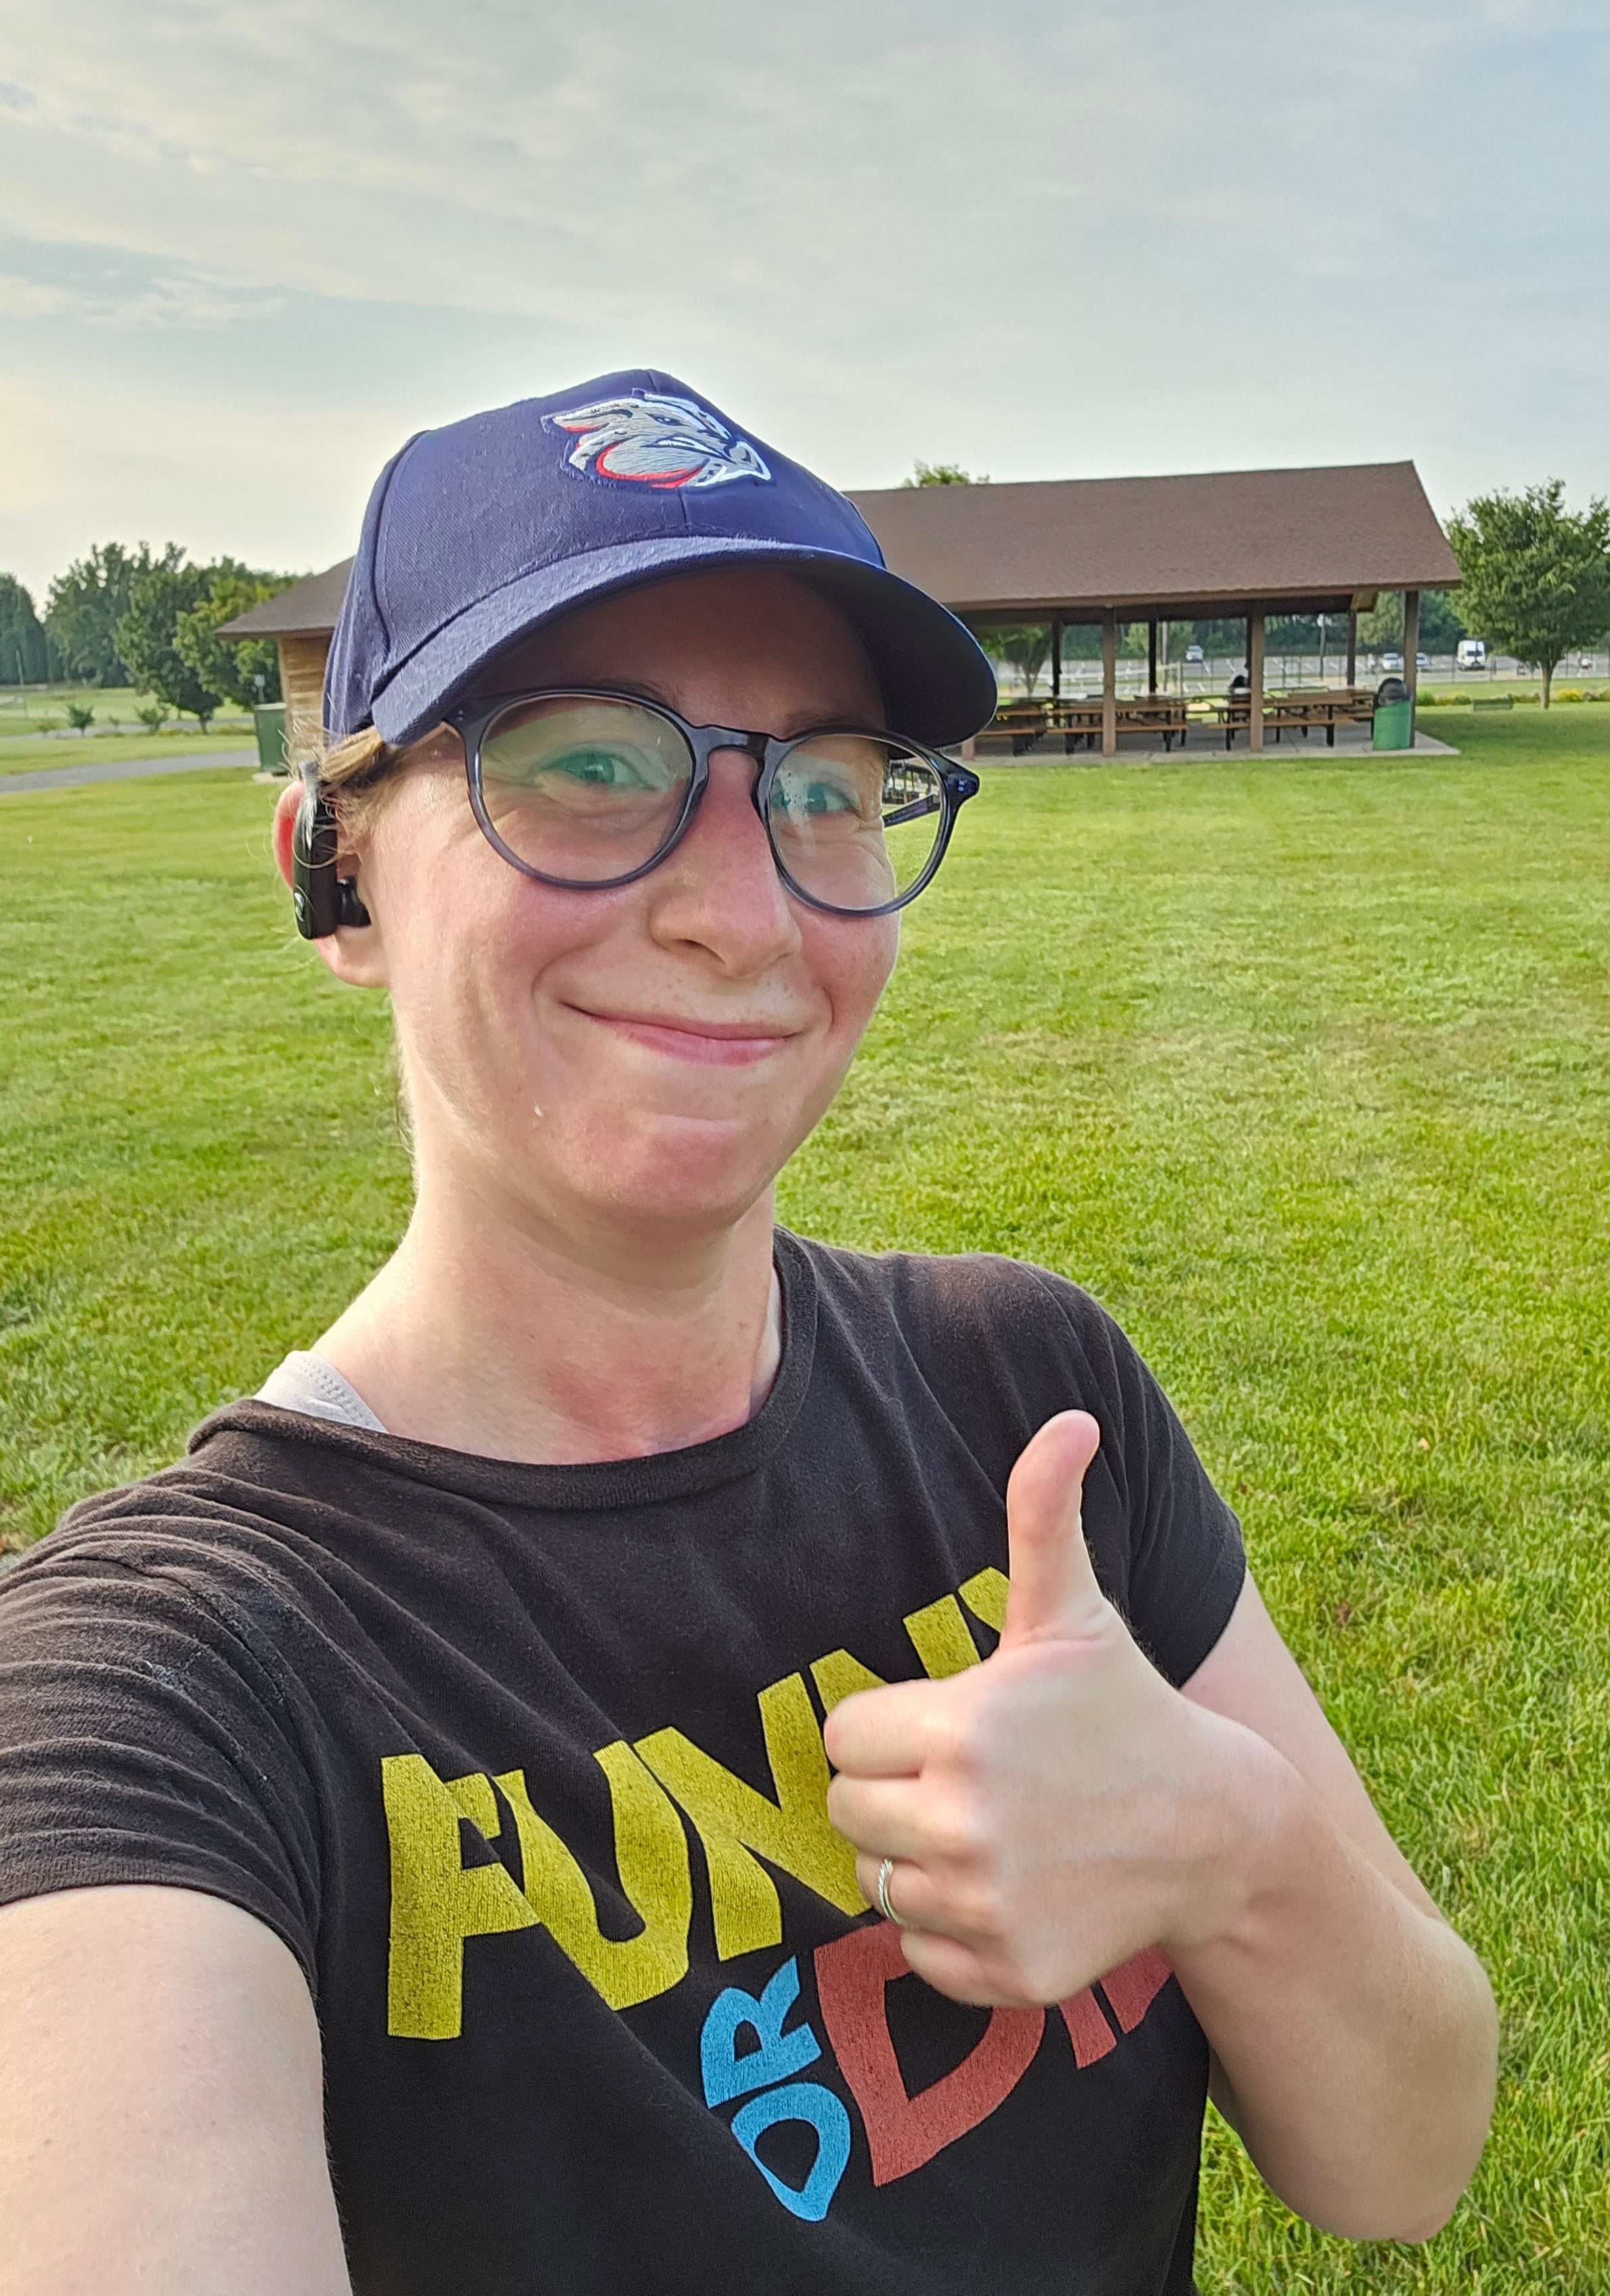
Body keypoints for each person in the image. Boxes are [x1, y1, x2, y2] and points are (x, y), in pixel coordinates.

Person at [0, 372, 1496, 2296]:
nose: (740, 908)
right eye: (588, 764)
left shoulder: (1028, 1398)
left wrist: (1236, 1844)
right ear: (335, 870)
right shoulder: (166, 1690)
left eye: (824, 786)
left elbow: (1406, 2161)